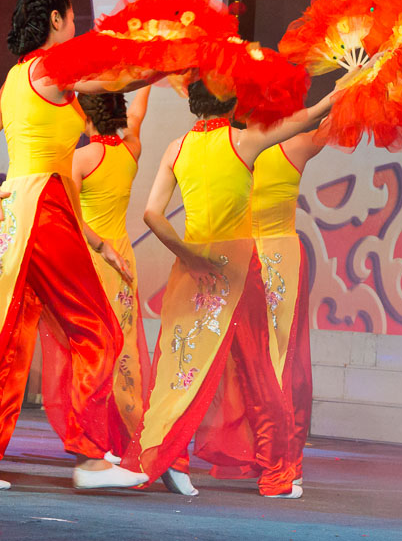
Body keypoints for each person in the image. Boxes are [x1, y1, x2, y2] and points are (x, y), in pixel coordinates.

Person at [0, 0, 152, 491]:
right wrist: (173, 60)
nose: (74, 26)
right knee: (99, 330)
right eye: (72, 17)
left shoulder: (16, 78)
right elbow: (117, 78)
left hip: (27, 211)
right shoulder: (50, 67)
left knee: (9, 338)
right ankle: (91, 457)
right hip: (42, 211)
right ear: (56, 19)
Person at [123, 80, 338, 498]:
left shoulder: (178, 147)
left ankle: (170, 457)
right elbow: (322, 118)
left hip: (197, 267)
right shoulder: (252, 142)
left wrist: (188, 255)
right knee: (269, 369)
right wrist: (358, 81)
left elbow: (152, 213)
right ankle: (279, 471)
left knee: (183, 365)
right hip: (250, 265)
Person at [194, 130, 324, 486]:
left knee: (259, 362)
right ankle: (278, 458)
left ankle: (275, 456)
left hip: (253, 258)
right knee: (273, 362)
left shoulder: (234, 148)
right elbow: (336, 119)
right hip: (265, 259)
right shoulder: (294, 145)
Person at [40, 87, 151, 462]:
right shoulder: (131, 151)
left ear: (84, 118)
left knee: (89, 351)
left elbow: (70, 213)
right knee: (125, 349)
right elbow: (137, 117)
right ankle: (126, 436)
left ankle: (92, 436)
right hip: (123, 256)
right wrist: (149, 79)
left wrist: (96, 242)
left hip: (92, 257)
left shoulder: (82, 157)